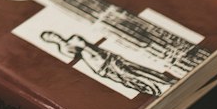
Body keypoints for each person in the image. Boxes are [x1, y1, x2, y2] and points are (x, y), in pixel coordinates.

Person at [40, 29, 178, 98]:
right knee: (129, 78)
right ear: (50, 41)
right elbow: (80, 53)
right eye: (50, 37)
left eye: (51, 34)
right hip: (101, 66)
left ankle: (166, 81)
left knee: (138, 69)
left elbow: (88, 46)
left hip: (108, 57)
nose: (54, 36)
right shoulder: (64, 49)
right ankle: (157, 89)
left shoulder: (74, 38)